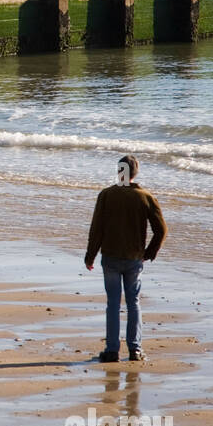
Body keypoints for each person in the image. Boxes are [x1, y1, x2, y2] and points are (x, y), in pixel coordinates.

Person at [83, 155, 167, 363]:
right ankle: (135, 350)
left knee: (112, 303)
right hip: (134, 259)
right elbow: (162, 230)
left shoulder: (106, 195)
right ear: (135, 173)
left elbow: (96, 229)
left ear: (119, 171)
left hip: (110, 256)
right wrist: (149, 252)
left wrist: (90, 255)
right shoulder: (145, 196)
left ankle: (112, 350)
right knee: (133, 303)